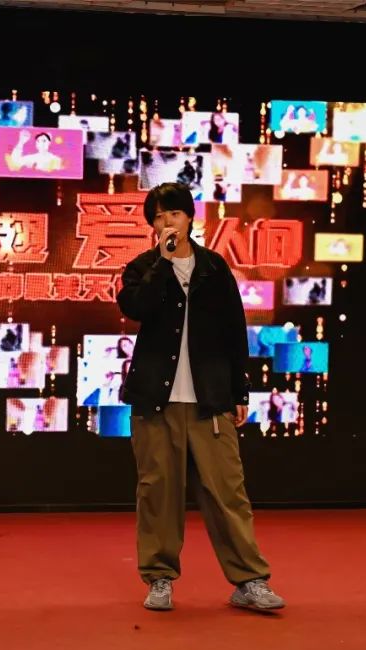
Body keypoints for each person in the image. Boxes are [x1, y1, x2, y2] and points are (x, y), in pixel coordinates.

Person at [116, 182, 284, 614]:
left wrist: (239, 390)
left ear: (190, 218)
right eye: (158, 217)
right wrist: (163, 263)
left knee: (227, 492)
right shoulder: (142, 267)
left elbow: (234, 330)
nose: (166, 222)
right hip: (155, 402)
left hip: (210, 399)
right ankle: (159, 578)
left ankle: (249, 580)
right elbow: (136, 307)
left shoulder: (214, 268)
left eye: (173, 213)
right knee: (158, 493)